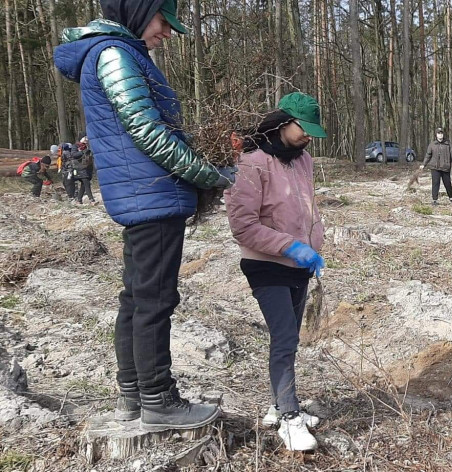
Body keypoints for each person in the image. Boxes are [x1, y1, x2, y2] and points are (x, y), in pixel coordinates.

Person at [55, 0, 235, 431]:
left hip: (143, 194)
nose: (167, 32)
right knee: (155, 301)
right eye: (162, 21)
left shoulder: (116, 52)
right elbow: (147, 130)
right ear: (137, 13)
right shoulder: (115, 53)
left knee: (137, 298)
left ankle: (132, 396)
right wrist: (207, 174)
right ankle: (159, 400)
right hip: (151, 194)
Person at [225, 92, 327, 452]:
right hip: (266, 264)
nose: (309, 136)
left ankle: (279, 403)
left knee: (290, 340)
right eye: (304, 129)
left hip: (300, 265)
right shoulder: (251, 164)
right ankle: (288, 417)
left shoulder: (304, 161)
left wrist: (315, 243)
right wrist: (290, 246)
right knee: (284, 337)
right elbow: (243, 226)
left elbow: (307, 208)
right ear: (284, 123)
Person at [422, 127, 452, 205]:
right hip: (435, 167)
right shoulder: (432, 144)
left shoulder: (447, 144)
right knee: (435, 183)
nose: (440, 135)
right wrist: (423, 164)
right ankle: (435, 200)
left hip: (445, 167)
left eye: (441, 133)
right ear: (436, 135)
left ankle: (451, 197)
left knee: (447, 183)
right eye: (438, 133)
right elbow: (428, 155)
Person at [72, 138, 97, 204]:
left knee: (84, 184)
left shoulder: (88, 146)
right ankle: (91, 200)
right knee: (86, 183)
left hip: (87, 168)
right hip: (79, 168)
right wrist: (82, 152)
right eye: (84, 138)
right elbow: (74, 155)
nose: (86, 139)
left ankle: (79, 200)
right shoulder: (75, 146)